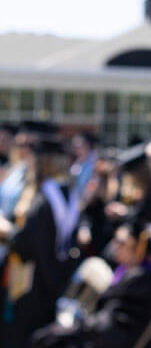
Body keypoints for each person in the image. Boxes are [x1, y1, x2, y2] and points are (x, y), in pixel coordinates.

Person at [30, 217, 151, 348]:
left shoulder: (142, 281)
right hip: (100, 334)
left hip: (110, 342)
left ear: (138, 248)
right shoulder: (127, 271)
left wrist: (74, 329)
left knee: (48, 338)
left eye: (122, 243)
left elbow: (112, 326)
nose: (115, 246)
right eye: (115, 240)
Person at [1, 131, 79, 347]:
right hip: (55, 277)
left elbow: (28, 242)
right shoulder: (66, 193)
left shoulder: (44, 197)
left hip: (32, 282)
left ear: (43, 162)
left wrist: (7, 231)